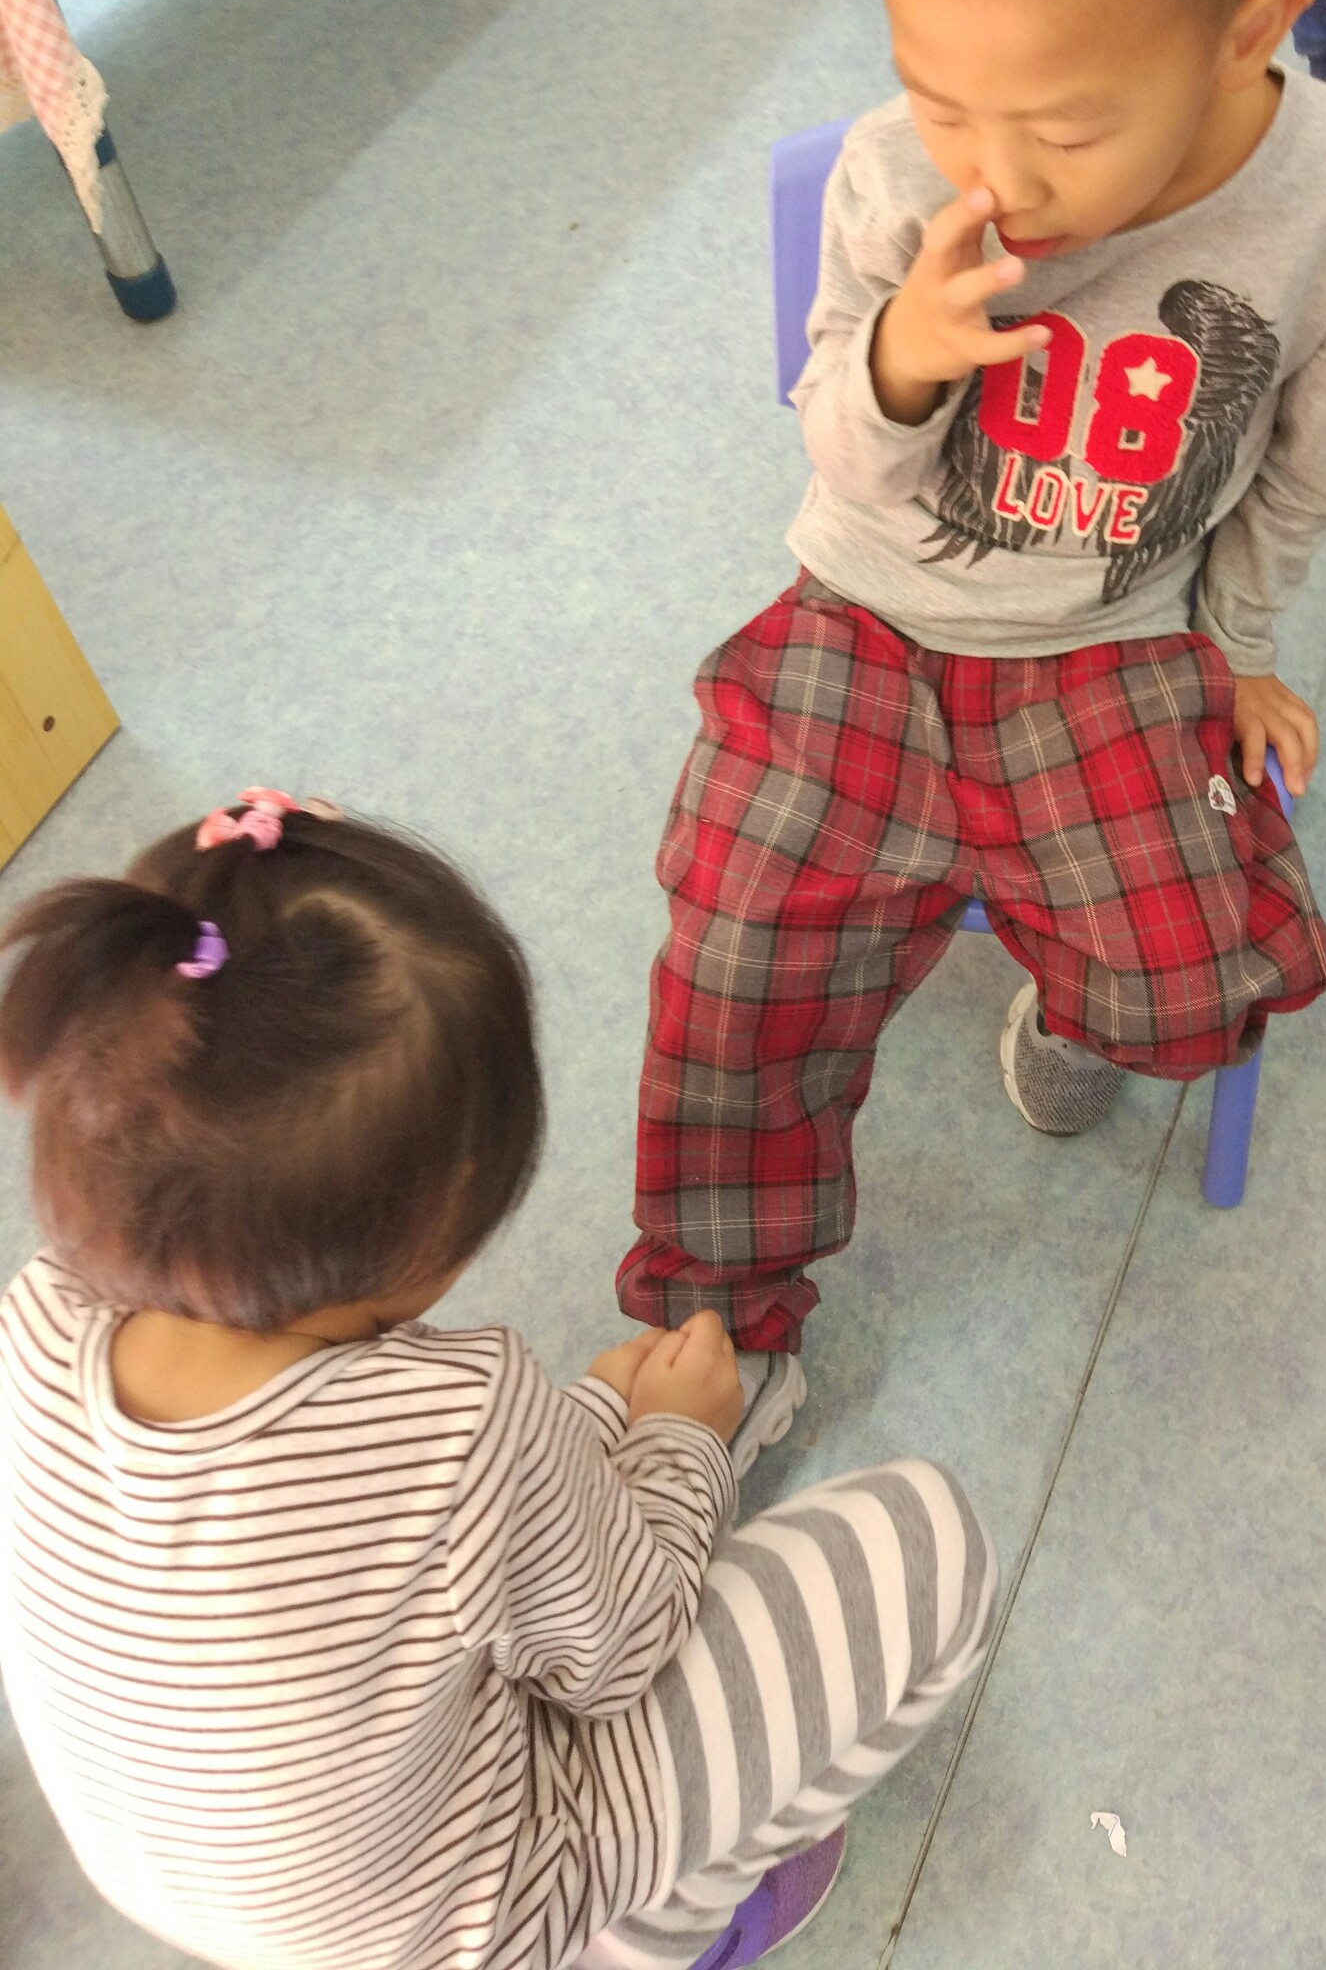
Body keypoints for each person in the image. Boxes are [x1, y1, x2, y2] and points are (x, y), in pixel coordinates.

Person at [620, 0, 1326, 1405]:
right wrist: (903, 359)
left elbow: (1306, 463)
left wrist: (1239, 647)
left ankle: (1061, 992)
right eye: (938, 93)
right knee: (734, 957)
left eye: (1062, 125)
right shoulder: (896, 170)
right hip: (863, 610)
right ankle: (721, 1326)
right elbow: (840, 453)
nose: (997, 174)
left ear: (1247, 28)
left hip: (1113, 639)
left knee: (1191, 981)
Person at [0, 791, 996, 1970]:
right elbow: (622, 1650)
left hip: (212, 1896)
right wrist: (676, 1442)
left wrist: (582, 1429)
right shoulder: (459, 1419)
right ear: (436, 1221)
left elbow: (379, 1552)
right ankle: (670, 1928)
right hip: (465, 1926)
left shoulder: (32, 1317)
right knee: (931, 1545)